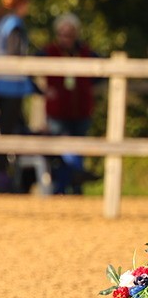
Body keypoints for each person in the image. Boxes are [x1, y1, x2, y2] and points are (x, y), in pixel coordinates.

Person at [0, 0, 36, 192]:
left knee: (4, 132)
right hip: (11, 85)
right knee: (9, 133)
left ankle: (4, 179)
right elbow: (16, 55)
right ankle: (4, 181)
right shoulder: (13, 24)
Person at [42, 12, 98, 194]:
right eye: (63, 33)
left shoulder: (86, 52)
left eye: (70, 33)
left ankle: (76, 188)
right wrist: (41, 90)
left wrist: (89, 86)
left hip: (81, 111)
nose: (66, 38)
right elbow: (26, 66)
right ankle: (63, 187)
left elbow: (103, 70)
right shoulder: (49, 52)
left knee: (77, 149)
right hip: (58, 112)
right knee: (63, 150)